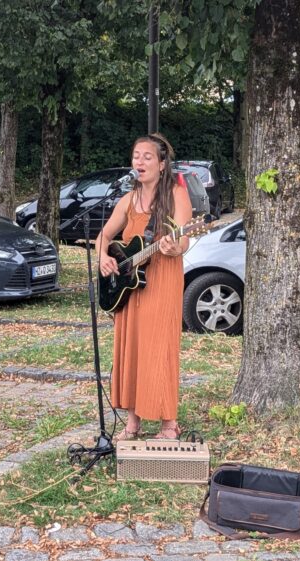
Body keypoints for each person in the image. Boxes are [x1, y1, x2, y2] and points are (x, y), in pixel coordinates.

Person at [96, 133, 192, 440]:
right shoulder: (127, 199)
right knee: (132, 347)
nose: (140, 161)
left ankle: (168, 424)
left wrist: (173, 246)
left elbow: (185, 237)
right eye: (136, 156)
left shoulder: (176, 194)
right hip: (130, 284)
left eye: (147, 156)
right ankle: (133, 422)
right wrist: (103, 258)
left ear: (162, 164)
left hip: (162, 277)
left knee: (160, 347)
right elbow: (104, 237)